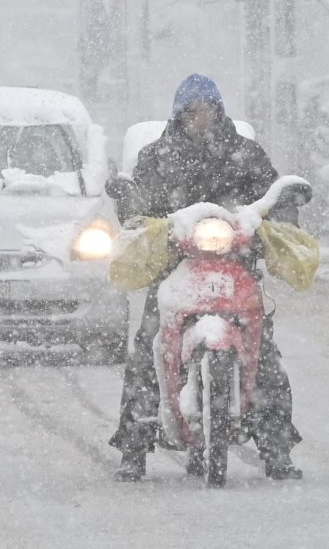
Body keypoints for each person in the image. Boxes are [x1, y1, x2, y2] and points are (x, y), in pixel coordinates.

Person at [107, 73, 303, 482]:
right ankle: (133, 446)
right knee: (147, 351)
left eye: (208, 110)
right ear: (179, 115)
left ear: (220, 110)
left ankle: (277, 448)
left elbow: (269, 195)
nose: (201, 118)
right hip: (173, 270)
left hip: (237, 268)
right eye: (192, 111)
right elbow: (139, 205)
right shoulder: (157, 156)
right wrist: (134, 208)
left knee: (264, 355)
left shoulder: (246, 154)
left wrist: (280, 210)